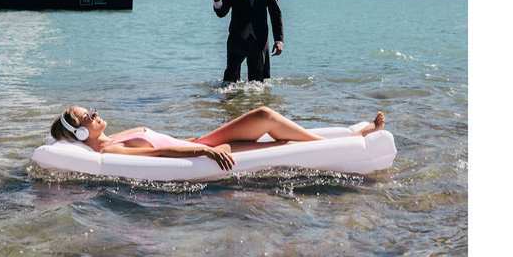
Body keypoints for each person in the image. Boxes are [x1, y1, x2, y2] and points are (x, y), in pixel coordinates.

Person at [50, 104, 384, 171]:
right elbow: (158, 155)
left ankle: (351, 136)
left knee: (269, 125)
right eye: (87, 116)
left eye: (90, 110)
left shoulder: (112, 137)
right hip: (204, 149)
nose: (95, 114)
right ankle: (351, 140)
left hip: (202, 140)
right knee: (266, 120)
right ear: (80, 132)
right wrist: (203, 155)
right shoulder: (112, 151)